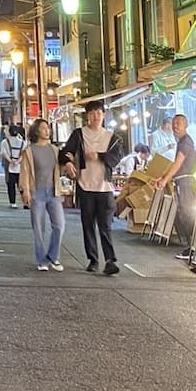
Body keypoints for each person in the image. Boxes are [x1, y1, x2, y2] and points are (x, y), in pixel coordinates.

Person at [59, 100, 125, 275]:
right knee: (88, 225)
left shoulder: (112, 137)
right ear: (87, 116)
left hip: (105, 188)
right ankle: (93, 259)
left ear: (103, 115)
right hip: (85, 186)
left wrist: (100, 155)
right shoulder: (79, 134)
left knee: (105, 225)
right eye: (92, 113)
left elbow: (117, 156)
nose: (96, 116)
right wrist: (68, 162)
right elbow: (65, 152)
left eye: (99, 112)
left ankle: (110, 260)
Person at [19, 118, 64, 271]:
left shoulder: (55, 150)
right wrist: (25, 190)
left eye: (48, 128)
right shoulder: (29, 151)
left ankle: (53, 256)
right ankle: (41, 259)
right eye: (44, 128)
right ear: (37, 131)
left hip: (54, 192)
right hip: (36, 192)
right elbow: (24, 172)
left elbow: (60, 169)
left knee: (59, 225)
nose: (47, 131)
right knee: (38, 228)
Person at [154, 115, 196, 260]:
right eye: (173, 123)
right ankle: (192, 246)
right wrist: (165, 177)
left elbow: (178, 163)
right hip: (180, 181)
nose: (175, 126)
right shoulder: (182, 142)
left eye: (178, 123)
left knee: (187, 213)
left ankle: (194, 247)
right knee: (183, 214)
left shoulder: (185, 142)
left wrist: (165, 179)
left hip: (185, 182)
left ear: (186, 125)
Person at [0, 125, 27, 208]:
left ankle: (13, 202)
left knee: (10, 184)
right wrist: (18, 161)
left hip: (9, 165)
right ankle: (25, 202)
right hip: (20, 165)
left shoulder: (5, 142)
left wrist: (11, 160)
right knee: (21, 184)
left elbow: (3, 153)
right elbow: (24, 154)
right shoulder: (23, 143)